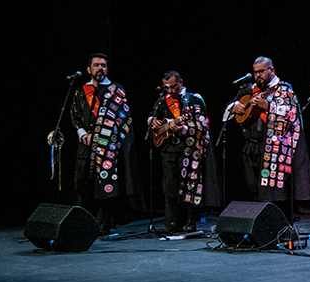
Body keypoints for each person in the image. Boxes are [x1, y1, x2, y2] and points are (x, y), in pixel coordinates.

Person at [223, 57, 310, 219]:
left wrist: (268, 107)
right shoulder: (249, 90)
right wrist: (234, 107)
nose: (258, 75)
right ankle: (256, 225)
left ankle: (277, 225)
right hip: (250, 146)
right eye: (255, 72)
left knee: (273, 190)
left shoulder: (284, 89)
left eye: (261, 71)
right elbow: (228, 108)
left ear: (271, 70)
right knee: (252, 188)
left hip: (274, 150)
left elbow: (292, 115)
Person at [70, 53, 138, 235]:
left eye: (104, 65)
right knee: (83, 183)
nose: (101, 68)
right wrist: (82, 133)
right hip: (86, 145)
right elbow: (75, 115)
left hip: (107, 148)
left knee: (106, 185)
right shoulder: (80, 91)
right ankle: (83, 223)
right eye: (97, 65)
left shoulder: (117, 90)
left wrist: (108, 132)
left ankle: (104, 224)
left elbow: (125, 117)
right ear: (89, 69)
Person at [149, 71, 220, 234]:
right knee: (170, 186)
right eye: (167, 87)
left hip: (189, 148)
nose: (170, 91)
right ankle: (174, 222)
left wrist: (185, 128)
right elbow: (151, 119)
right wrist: (159, 123)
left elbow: (204, 125)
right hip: (169, 148)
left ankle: (191, 220)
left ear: (181, 82)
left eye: (173, 87)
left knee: (189, 184)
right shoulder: (161, 101)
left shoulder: (194, 99)